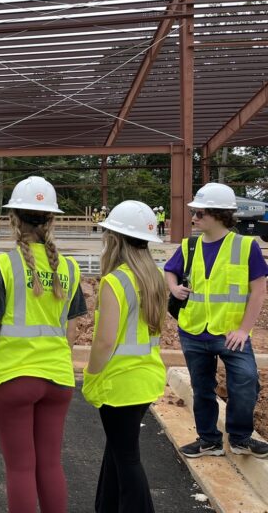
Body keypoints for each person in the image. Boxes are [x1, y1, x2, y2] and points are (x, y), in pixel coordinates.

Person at [0, 176, 87, 513]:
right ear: (51, 220)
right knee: (50, 465)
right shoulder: (69, 268)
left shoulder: (4, 266)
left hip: (12, 378)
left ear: (14, 219)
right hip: (58, 379)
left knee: (20, 468)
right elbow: (71, 330)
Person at [165, 182, 268, 459]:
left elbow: (258, 291)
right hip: (193, 330)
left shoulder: (246, 246)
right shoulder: (189, 246)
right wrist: (174, 288)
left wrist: (245, 329)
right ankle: (209, 440)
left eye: (200, 213)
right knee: (202, 388)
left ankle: (240, 438)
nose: (194, 218)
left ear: (220, 214)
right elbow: (170, 272)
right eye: (194, 213)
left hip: (230, 333)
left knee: (245, 381)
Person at [83, 201, 167, 513]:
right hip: (146, 380)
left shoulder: (115, 281)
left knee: (127, 457)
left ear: (114, 238)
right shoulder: (154, 277)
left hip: (119, 385)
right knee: (118, 449)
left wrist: (91, 376)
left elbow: (104, 341)